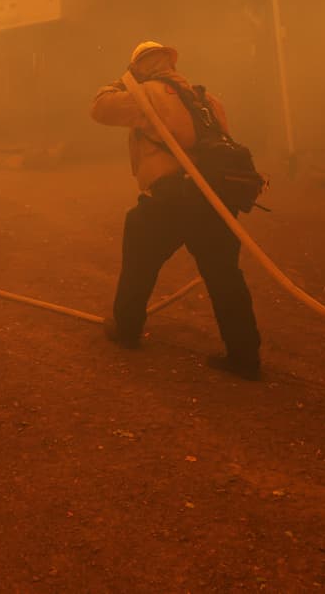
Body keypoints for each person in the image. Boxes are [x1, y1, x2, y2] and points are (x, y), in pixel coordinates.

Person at [90, 41, 261, 380]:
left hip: (171, 197)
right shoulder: (207, 100)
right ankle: (245, 356)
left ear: (139, 67)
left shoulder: (146, 96)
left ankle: (126, 330)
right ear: (171, 63)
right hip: (214, 197)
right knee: (225, 275)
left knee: (139, 257)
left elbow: (99, 108)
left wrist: (123, 83)